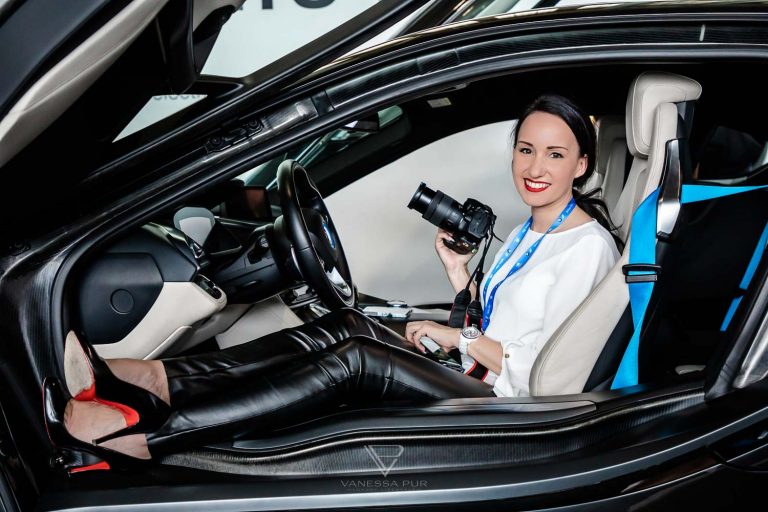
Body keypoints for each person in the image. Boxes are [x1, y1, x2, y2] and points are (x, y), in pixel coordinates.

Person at [43, 94, 620, 470]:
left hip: (508, 408)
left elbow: (537, 370)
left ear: (582, 165)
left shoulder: (587, 247)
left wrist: (456, 340)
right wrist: (460, 280)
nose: (534, 167)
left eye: (554, 154)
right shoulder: (529, 229)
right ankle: (147, 378)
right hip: (475, 375)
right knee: (344, 323)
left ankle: (146, 440)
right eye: (525, 149)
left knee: (357, 358)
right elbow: (499, 321)